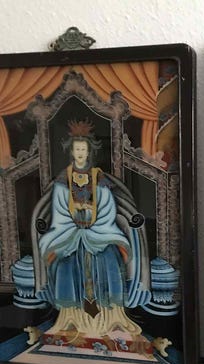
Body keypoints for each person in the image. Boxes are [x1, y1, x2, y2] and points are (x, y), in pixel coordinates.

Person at [34, 119, 150, 338]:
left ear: (89, 152)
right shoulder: (62, 182)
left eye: (83, 149)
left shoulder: (100, 180)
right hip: (69, 232)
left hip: (99, 232)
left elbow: (107, 208)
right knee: (66, 262)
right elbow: (60, 213)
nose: (80, 153)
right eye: (77, 149)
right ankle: (72, 319)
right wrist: (76, 223)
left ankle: (109, 318)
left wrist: (91, 221)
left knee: (109, 257)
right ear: (71, 152)